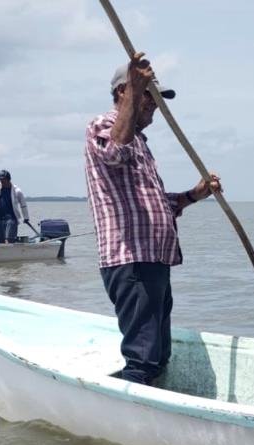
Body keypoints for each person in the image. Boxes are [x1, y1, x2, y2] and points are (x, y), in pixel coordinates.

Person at [84, 52, 221, 385]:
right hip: (131, 260)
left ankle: (154, 405)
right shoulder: (103, 126)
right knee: (143, 357)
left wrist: (194, 195)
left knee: (159, 353)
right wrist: (135, 88)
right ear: (123, 92)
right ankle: (130, 419)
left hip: (154, 260)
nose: (156, 106)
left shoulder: (142, 144)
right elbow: (114, 153)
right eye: (150, 96)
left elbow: (158, 205)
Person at [0, 169, 30, 243]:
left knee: (10, 239)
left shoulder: (17, 190)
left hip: (11, 218)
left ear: (8, 179)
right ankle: (1, 254)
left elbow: (23, 204)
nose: (1, 181)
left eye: (3, 179)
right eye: (0, 179)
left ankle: (11, 253)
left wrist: (26, 217)